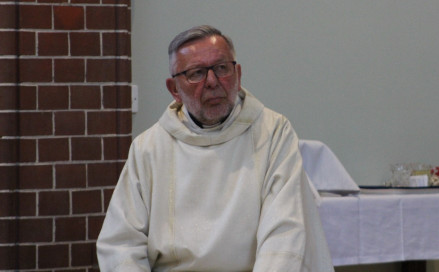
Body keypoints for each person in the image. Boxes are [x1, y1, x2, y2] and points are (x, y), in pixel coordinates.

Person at [96, 25, 334, 271]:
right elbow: (121, 243)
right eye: (196, 73)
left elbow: (284, 233)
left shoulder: (272, 133)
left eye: (221, 68)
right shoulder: (149, 148)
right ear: (174, 89)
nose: (212, 82)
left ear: (238, 74)